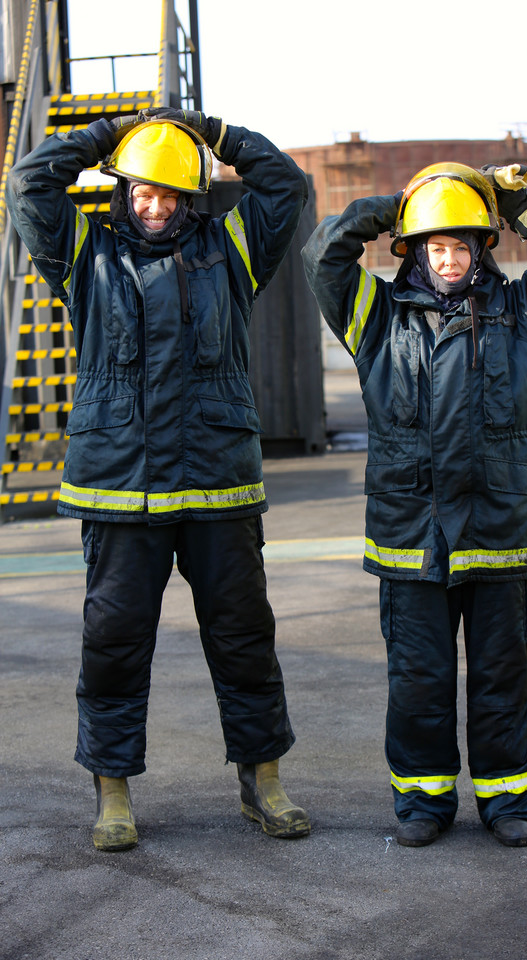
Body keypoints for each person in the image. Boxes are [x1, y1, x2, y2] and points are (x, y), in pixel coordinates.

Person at [7, 107, 311, 851]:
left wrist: (216, 133)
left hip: (216, 484)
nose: (154, 205)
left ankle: (262, 781)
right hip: (119, 486)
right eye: (142, 191)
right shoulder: (85, 253)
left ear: (191, 197)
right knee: (113, 643)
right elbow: (26, 184)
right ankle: (113, 792)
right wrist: (105, 138)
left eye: (170, 193)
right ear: (121, 191)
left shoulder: (234, 247)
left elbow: (287, 187)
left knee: (244, 638)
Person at [302, 161, 527, 847]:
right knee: (419, 679)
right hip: (412, 537)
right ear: (411, 250)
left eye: (461, 244)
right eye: (434, 244)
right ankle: (422, 803)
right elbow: (324, 253)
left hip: (501, 534)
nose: (448, 257)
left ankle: (508, 802)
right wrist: (393, 205)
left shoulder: (526, 315)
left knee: (503, 675)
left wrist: (518, 203)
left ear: (481, 249)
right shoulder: (375, 320)